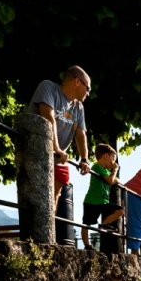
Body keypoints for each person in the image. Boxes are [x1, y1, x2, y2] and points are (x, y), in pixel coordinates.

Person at [28, 65, 92, 209]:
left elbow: (81, 134)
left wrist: (84, 159)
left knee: (54, 196)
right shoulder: (48, 87)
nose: (88, 93)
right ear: (77, 81)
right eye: (88, 88)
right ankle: (33, 229)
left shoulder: (78, 107)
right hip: (36, 150)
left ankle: (49, 228)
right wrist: (56, 148)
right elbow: (48, 118)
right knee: (37, 194)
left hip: (57, 157)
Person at [82, 143, 123, 250]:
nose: (114, 162)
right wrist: (115, 170)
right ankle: (87, 245)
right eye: (113, 158)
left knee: (120, 211)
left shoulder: (106, 171)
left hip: (103, 201)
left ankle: (103, 225)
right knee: (86, 224)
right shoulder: (97, 166)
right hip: (92, 201)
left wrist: (113, 175)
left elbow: (114, 180)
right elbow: (111, 181)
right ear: (106, 156)